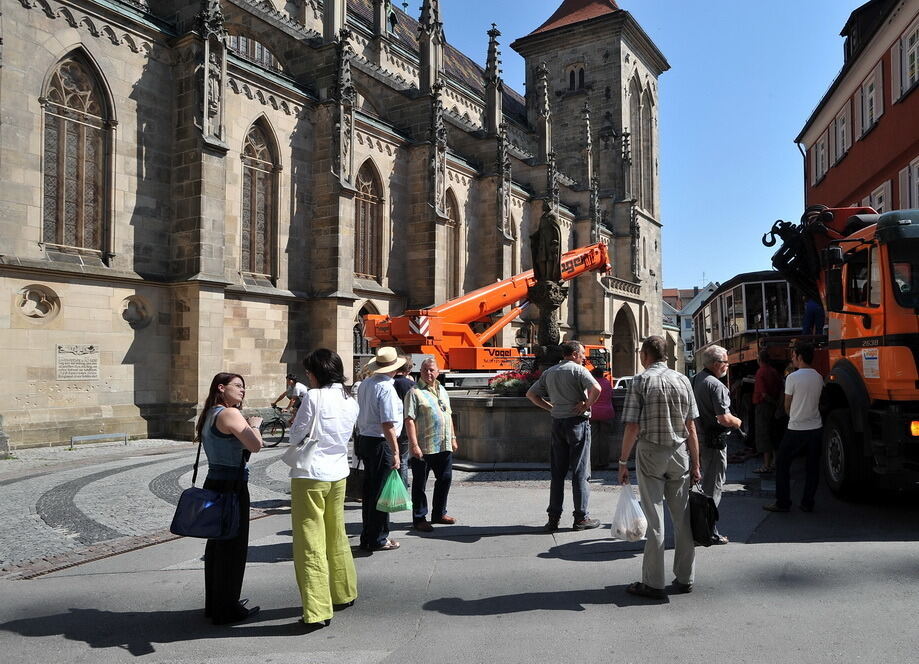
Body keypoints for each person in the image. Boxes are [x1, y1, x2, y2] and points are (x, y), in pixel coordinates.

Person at [618, 336, 701, 600]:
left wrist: (622, 461)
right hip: (679, 453)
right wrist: (696, 463)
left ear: (645, 355)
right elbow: (691, 427)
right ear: (666, 355)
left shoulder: (640, 381)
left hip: (651, 452)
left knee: (655, 519)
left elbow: (632, 426)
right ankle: (685, 577)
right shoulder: (683, 380)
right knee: (683, 518)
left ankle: (653, 583)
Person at [287, 349, 359, 630]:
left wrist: (295, 424)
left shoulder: (314, 397)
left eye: (309, 372)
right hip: (339, 471)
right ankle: (344, 592)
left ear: (316, 372)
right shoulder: (350, 400)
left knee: (309, 542)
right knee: (336, 534)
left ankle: (317, 609)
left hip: (311, 473)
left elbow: (296, 433)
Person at [197, 372, 263, 625]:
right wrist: (255, 424)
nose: (242, 390)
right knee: (233, 548)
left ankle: (216, 604)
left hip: (214, 480)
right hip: (232, 485)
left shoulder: (209, 413)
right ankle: (227, 608)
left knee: (217, 545)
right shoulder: (230, 414)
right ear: (221, 387)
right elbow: (255, 445)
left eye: (243, 386)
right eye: (237, 386)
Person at [526, 340, 602, 532]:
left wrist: (551, 408)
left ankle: (553, 518)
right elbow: (597, 389)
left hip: (557, 423)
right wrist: (586, 405)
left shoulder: (550, 372)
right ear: (575, 354)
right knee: (580, 472)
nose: (585, 357)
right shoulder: (579, 370)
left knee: (557, 473)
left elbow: (531, 394)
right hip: (577, 423)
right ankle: (581, 518)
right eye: (583, 353)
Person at [764, 341, 825, 513]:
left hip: (796, 428)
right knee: (812, 467)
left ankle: (783, 502)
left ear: (799, 357)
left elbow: (787, 404)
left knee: (783, 464)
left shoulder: (792, 378)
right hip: (815, 427)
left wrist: (793, 414)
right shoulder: (819, 377)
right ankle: (808, 502)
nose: (792, 358)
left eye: (793, 355)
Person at [692, 344, 743, 545]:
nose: (728, 366)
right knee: (713, 488)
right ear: (716, 364)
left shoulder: (695, 380)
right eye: (725, 362)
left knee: (703, 487)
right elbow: (723, 418)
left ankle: (700, 529)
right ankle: (708, 532)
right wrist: (738, 422)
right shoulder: (716, 385)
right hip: (714, 441)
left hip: (699, 439)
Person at [355, 346, 405, 551]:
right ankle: (378, 538)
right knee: (381, 493)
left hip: (366, 439)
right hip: (380, 442)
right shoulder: (386, 388)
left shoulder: (366, 383)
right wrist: (395, 451)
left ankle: (369, 535)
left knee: (370, 492)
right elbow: (388, 423)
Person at [405, 358, 458, 532]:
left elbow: (448, 415)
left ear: (438, 372)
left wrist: (453, 437)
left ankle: (439, 513)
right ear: (420, 371)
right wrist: (414, 444)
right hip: (424, 445)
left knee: (445, 479)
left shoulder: (442, 390)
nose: (429, 373)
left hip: (443, 444)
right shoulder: (414, 392)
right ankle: (420, 518)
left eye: (432, 370)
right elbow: (409, 420)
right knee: (420, 483)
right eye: (425, 370)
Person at [752, 350, 782, 474]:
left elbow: (763, 394)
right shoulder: (774, 371)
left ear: (760, 360)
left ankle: (766, 465)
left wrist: (772, 402)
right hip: (772, 407)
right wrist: (776, 405)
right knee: (774, 434)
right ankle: (775, 462)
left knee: (764, 435)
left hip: (763, 407)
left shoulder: (760, 372)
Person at [393, 356, 415, 487]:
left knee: (393, 457)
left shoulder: (389, 382)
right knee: (404, 459)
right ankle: (403, 486)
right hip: (406, 425)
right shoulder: (411, 385)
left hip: (390, 425)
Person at [589, 367, 615, 466]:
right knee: (605, 439)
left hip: (593, 413)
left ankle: (594, 462)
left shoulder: (591, 384)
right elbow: (611, 395)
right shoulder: (607, 383)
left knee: (593, 438)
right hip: (607, 413)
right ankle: (604, 462)